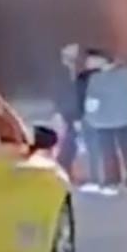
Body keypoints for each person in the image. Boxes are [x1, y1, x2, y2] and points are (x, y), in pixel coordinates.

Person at [81, 50, 127, 195]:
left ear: (102, 61)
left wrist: (90, 119)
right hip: (125, 118)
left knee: (108, 152)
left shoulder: (95, 78)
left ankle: (112, 181)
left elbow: (91, 103)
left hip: (103, 120)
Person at [53, 43, 85, 178]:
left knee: (71, 145)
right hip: (66, 112)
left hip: (71, 112)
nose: (75, 57)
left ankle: (66, 170)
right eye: (72, 54)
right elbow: (59, 93)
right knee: (67, 144)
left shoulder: (73, 71)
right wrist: (59, 112)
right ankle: (62, 171)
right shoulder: (61, 72)